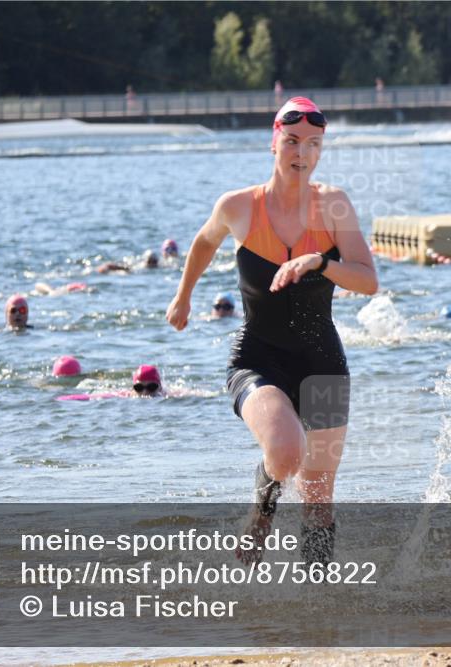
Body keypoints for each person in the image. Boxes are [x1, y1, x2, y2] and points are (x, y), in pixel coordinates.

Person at [166, 97, 378, 564]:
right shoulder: (239, 207)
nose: (301, 153)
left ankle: (317, 607)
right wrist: (184, 296)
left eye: (313, 144)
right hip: (257, 357)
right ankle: (261, 511)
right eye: (292, 142)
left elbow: (368, 279)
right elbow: (203, 243)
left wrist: (320, 261)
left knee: (319, 495)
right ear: (274, 143)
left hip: (323, 360)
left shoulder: (334, 205)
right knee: (284, 450)